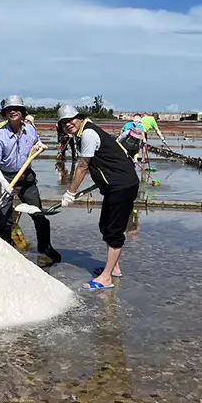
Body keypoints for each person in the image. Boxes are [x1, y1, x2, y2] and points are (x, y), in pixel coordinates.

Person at [58, 104, 139, 290]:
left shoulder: (87, 134)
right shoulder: (84, 132)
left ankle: (106, 278)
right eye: (63, 123)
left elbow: (83, 166)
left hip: (122, 186)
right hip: (114, 186)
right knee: (105, 226)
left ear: (79, 118)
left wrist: (70, 192)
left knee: (114, 232)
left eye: (71, 120)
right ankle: (114, 268)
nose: (68, 124)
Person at [0, 96, 61, 262]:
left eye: (16, 109)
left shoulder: (30, 129)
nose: (12, 111)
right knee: (5, 217)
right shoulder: (0, 136)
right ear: (5, 113)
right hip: (5, 176)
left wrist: (40, 145)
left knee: (38, 213)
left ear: (22, 112)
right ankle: (5, 249)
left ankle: (45, 246)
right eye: (8, 109)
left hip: (26, 177)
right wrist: (4, 183)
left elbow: (37, 142)